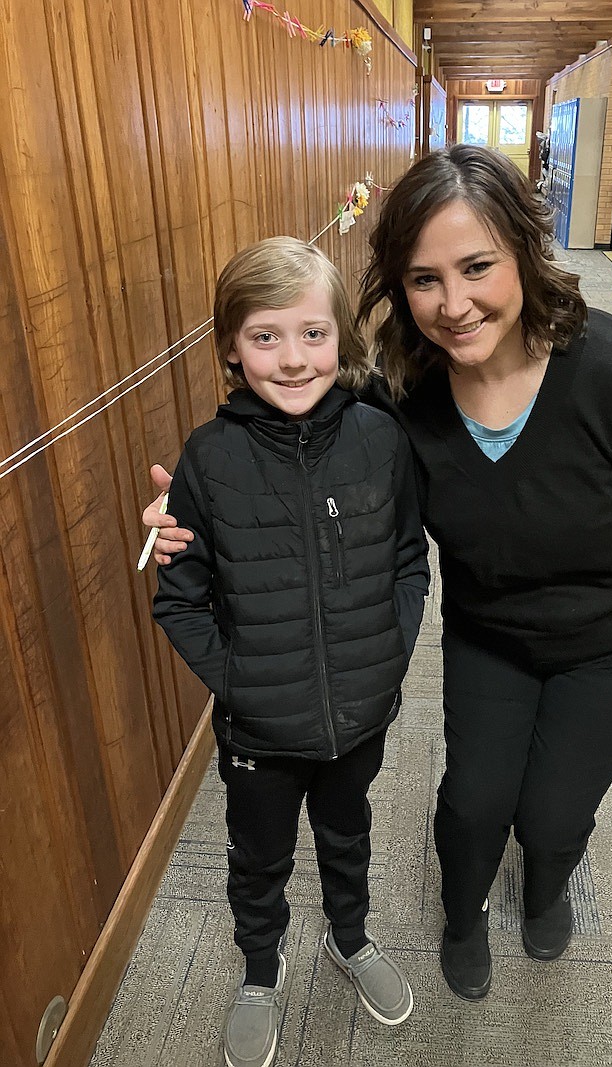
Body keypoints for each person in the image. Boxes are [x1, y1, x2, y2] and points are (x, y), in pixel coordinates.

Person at [142, 146, 612, 1007]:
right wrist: (190, 507)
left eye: (477, 268)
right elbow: (297, 419)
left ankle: (546, 882)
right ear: (397, 286)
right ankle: (462, 915)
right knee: (471, 805)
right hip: (492, 629)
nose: (455, 304)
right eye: (424, 278)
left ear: (526, 253)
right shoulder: (403, 391)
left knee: (550, 811)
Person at [151, 236, 429, 1067]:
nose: (294, 357)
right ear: (232, 349)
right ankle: (259, 972)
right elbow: (178, 596)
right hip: (258, 733)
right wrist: (239, 682)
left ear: (342, 336)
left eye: (313, 333)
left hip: (361, 713)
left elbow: (409, 557)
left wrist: (390, 651)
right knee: (258, 854)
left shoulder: (381, 440)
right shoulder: (211, 457)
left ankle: (350, 937)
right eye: (266, 336)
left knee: (349, 834)